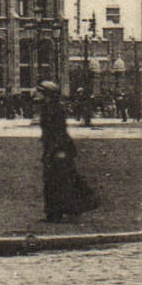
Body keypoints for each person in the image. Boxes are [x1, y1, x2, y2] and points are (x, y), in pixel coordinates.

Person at [38, 81, 99, 222]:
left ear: (48, 94)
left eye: (41, 92)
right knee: (57, 179)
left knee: (59, 180)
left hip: (59, 149)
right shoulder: (48, 107)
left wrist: (59, 150)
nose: (39, 95)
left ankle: (58, 212)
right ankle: (58, 211)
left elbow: (59, 131)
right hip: (52, 148)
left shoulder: (55, 109)